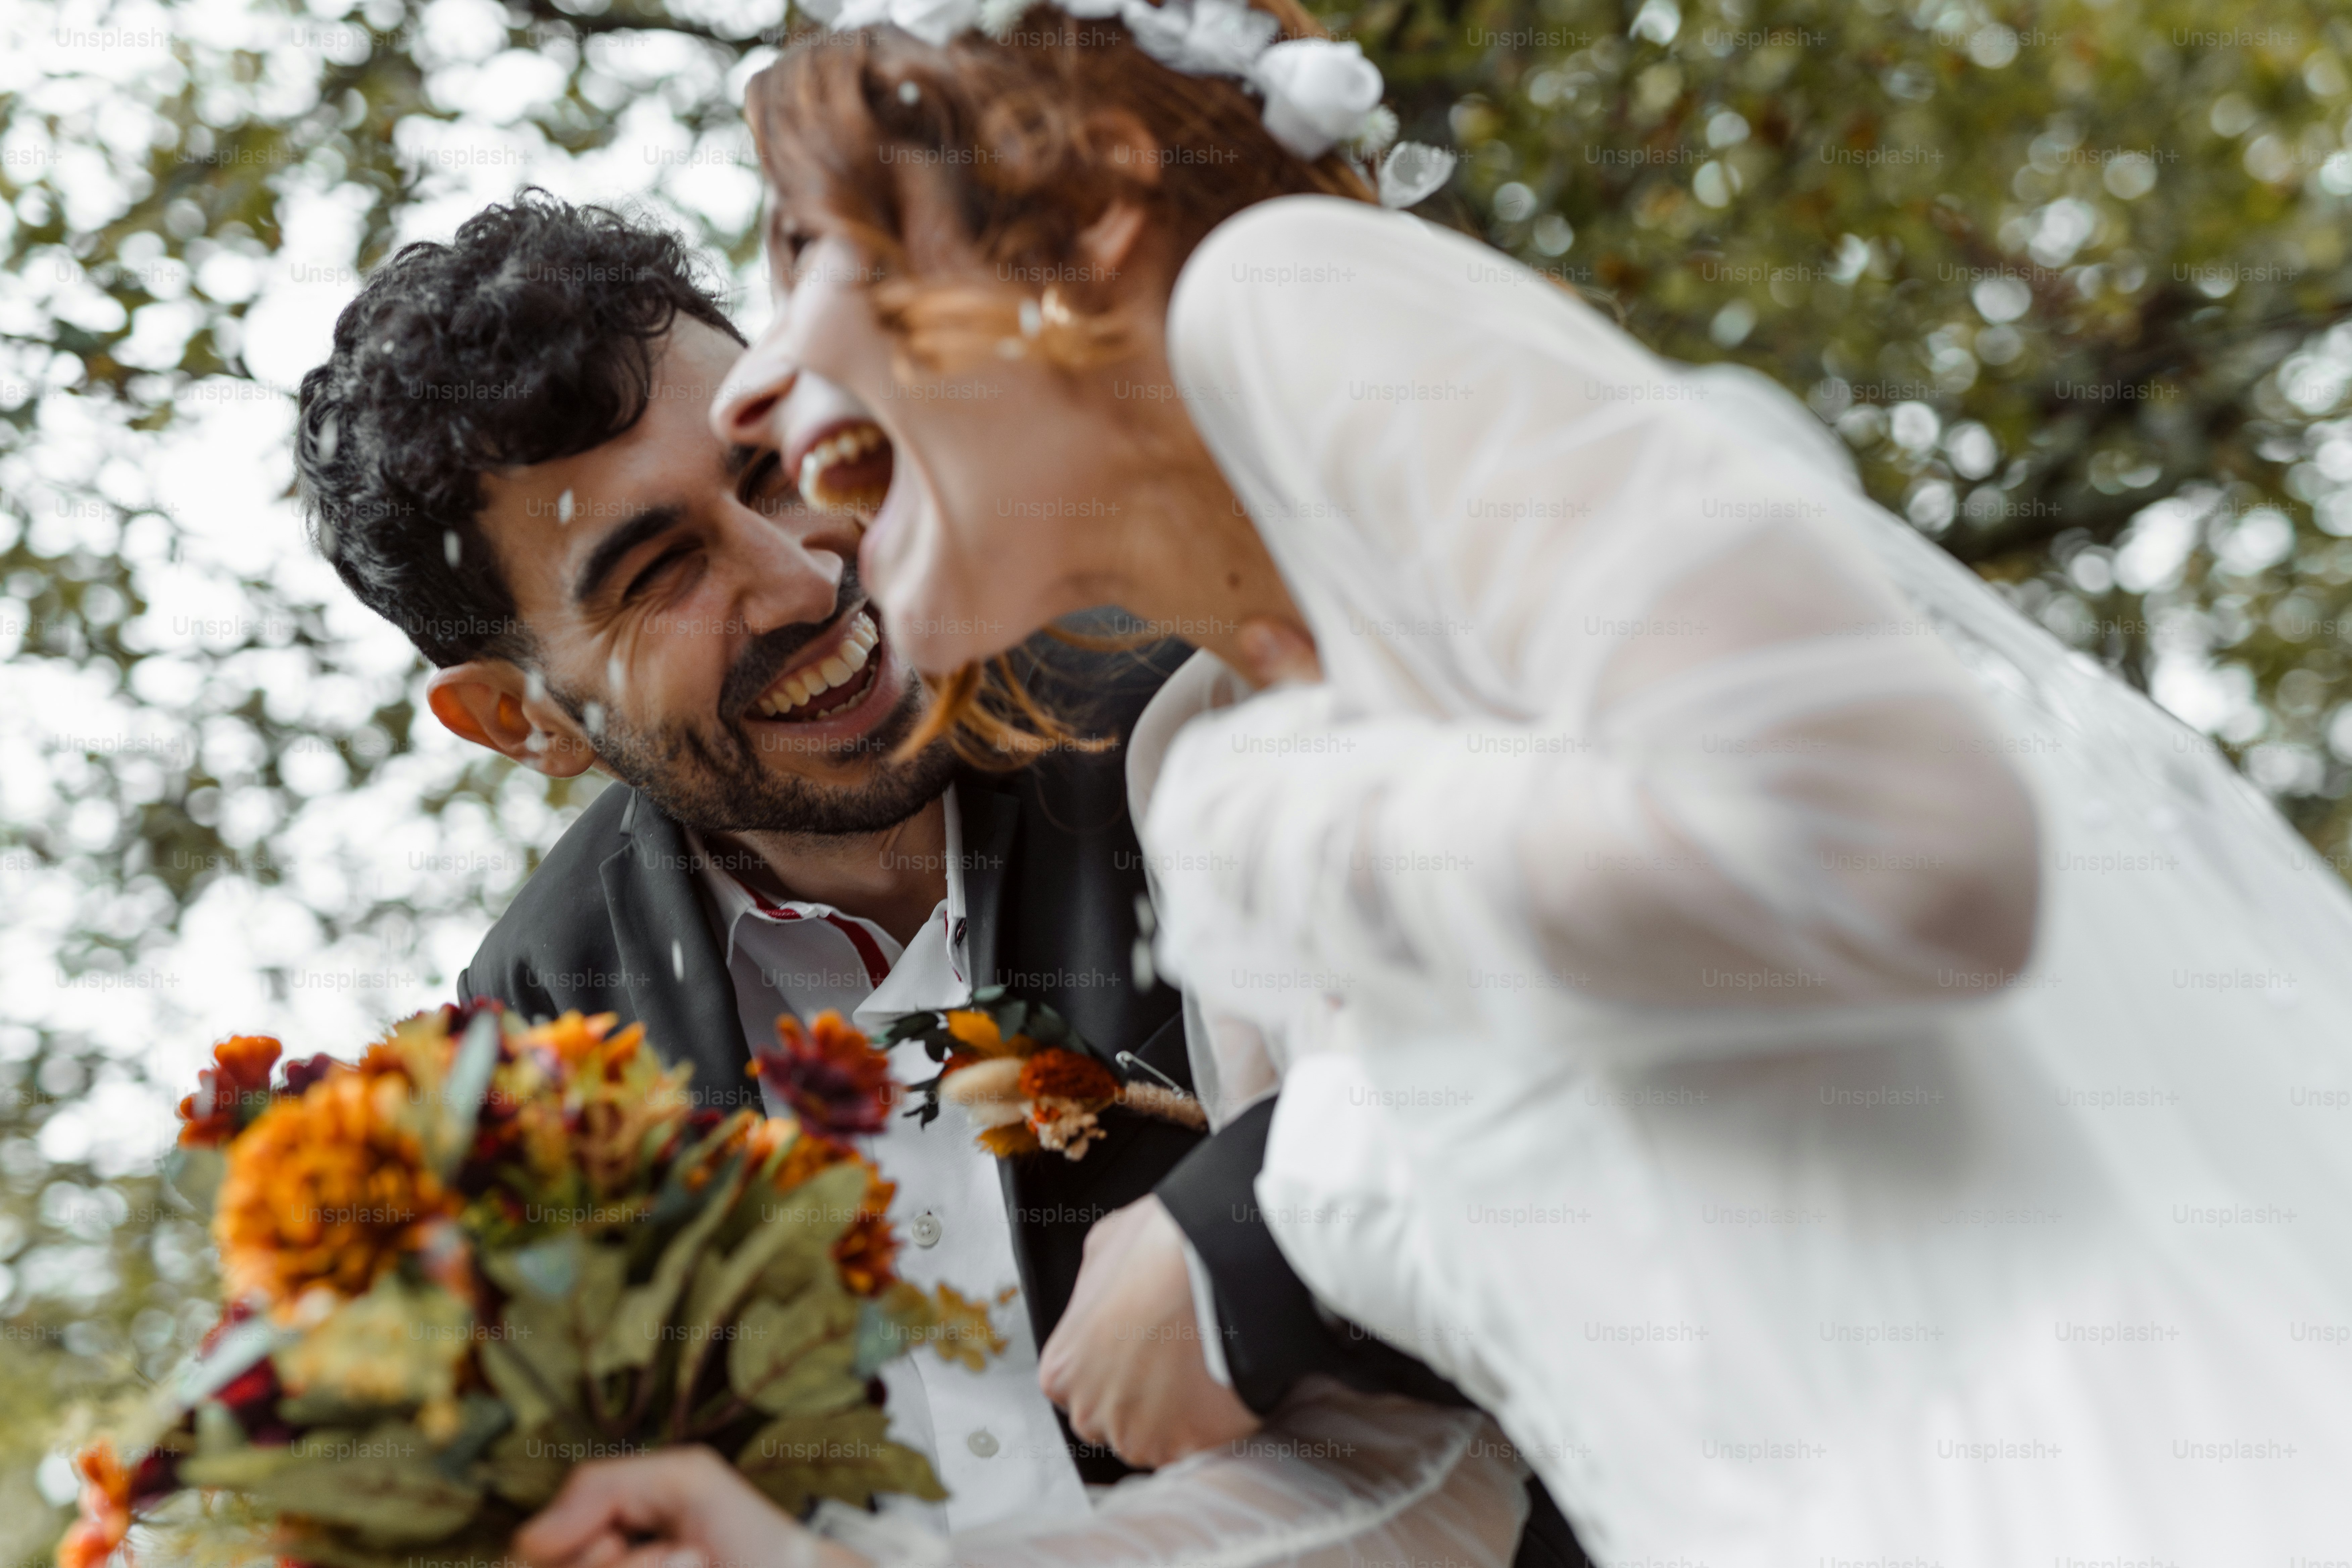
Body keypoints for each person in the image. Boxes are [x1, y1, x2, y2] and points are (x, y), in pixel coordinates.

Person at [536, 0, 2352, 1562]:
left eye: (800, 250)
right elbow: (1409, 1488)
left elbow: (1902, 842)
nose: (763, 399)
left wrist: (1302, 1146)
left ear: (1080, 232)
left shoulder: (1282, 294)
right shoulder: (1219, 764)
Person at [295, 194, 1570, 1565]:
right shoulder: (538, 1036)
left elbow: (1561, 1081)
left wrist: (1236, 1227)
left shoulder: (1201, 695)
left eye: (772, 465)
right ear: (520, 720)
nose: (799, 576)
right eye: (661, 571)